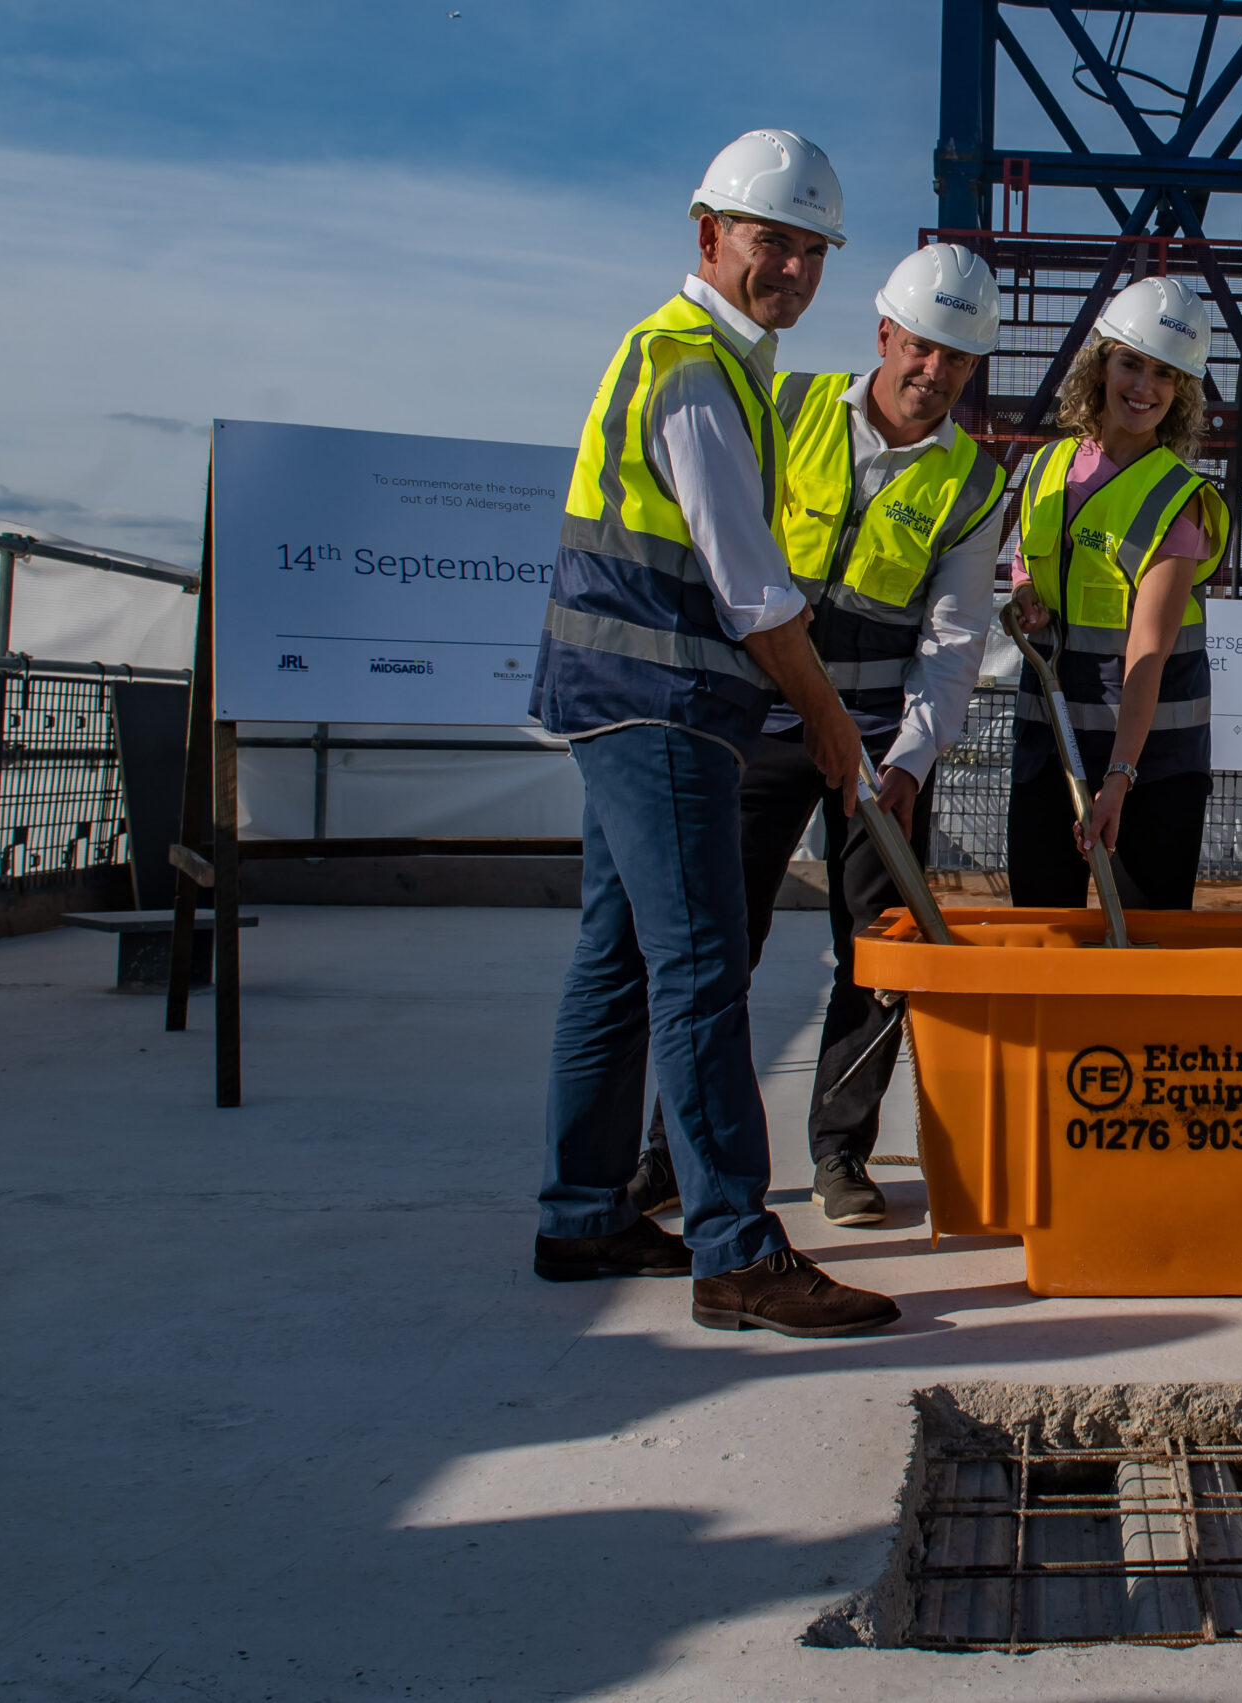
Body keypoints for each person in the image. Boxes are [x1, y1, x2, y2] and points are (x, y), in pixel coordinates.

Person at [525, 129, 898, 1338]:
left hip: (618, 701)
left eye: (810, 249)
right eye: (768, 240)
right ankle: (736, 1248)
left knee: (620, 960)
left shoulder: (692, 359)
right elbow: (753, 592)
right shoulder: (694, 370)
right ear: (709, 237)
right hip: (666, 707)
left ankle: (584, 1211)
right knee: (697, 970)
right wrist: (834, 723)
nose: (790, 266)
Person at [625, 243, 1008, 1229]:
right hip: (754, 719)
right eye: (922, 346)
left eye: (958, 359)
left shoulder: (973, 484)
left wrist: (912, 762)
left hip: (877, 751)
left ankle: (840, 1150)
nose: (935, 372)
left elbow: (954, 640)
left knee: (879, 952)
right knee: (716, 944)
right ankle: (676, 1152)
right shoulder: (783, 407)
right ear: (884, 334)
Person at [1005, 276, 1231, 911]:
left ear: (1182, 391)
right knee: (1041, 940)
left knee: (1143, 956)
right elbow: (1026, 560)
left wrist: (1117, 781)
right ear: (1102, 363)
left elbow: (1149, 652)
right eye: (1131, 363)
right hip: (1048, 741)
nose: (1143, 388)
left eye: (1165, 375)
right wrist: (1025, 594)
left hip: (1149, 766)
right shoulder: (1048, 467)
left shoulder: (1178, 500)